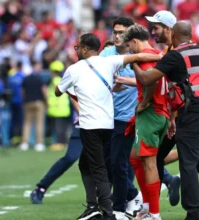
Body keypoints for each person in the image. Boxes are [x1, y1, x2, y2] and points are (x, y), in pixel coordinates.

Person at [131, 21, 199, 220]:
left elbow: (147, 79)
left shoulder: (175, 55)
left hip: (194, 109)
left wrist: (133, 61)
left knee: (188, 163)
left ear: (172, 33)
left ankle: (194, 212)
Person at [54, 33, 161, 220]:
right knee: (85, 164)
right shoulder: (109, 61)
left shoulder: (74, 69)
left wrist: (61, 85)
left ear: (86, 49)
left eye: (78, 47)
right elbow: (138, 56)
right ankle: (92, 207)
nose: (77, 50)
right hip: (108, 124)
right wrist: (162, 57)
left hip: (89, 126)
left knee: (99, 168)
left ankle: (107, 212)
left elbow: (58, 92)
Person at [29, 39, 122, 206]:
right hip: (86, 124)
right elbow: (73, 97)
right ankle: (41, 187)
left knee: (115, 161)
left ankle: (114, 201)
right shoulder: (81, 71)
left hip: (105, 124)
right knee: (71, 157)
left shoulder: (109, 70)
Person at [125, 23, 170, 220]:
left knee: (150, 163)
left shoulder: (143, 59)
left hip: (151, 113)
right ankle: (146, 206)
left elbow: (149, 80)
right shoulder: (157, 53)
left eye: (129, 46)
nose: (129, 51)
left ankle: (154, 213)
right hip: (161, 113)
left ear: (134, 41)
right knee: (135, 158)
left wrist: (144, 102)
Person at [99, 17, 142, 220]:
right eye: (115, 31)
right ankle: (132, 196)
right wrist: (110, 87)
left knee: (119, 162)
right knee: (108, 162)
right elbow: (97, 81)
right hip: (106, 116)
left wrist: (126, 81)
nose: (117, 36)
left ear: (130, 35)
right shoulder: (106, 53)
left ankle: (118, 208)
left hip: (127, 117)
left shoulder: (138, 55)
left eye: (121, 32)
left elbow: (148, 79)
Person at [145, 10, 181, 206]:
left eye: (156, 27)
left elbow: (175, 88)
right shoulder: (168, 53)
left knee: (151, 157)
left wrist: (173, 118)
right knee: (156, 157)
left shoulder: (174, 53)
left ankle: (151, 208)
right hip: (179, 114)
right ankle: (152, 207)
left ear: (168, 29)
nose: (153, 31)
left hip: (182, 114)